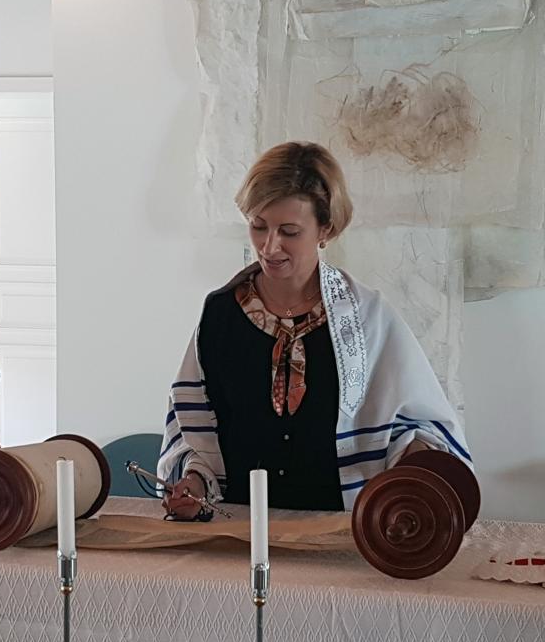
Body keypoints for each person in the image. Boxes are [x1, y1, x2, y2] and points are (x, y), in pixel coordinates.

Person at [159, 142, 470, 520]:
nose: (269, 246)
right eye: (259, 226)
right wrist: (192, 484)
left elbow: (415, 429)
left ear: (326, 229)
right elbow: (195, 428)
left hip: (338, 535)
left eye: (289, 231)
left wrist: (415, 460)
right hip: (238, 530)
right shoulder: (220, 314)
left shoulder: (366, 318)